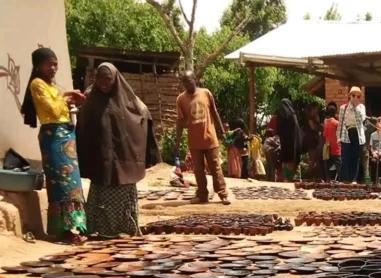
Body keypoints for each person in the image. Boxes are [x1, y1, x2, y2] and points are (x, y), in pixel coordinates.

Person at [76, 62, 159, 238]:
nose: (104, 83)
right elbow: (83, 123)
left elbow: (143, 115)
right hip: (101, 155)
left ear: (115, 79)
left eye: (108, 79)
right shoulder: (91, 97)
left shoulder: (129, 99)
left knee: (122, 193)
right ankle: (101, 229)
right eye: (100, 79)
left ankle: (126, 227)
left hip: (123, 155)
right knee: (101, 189)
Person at [20, 47, 87, 242]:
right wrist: (66, 96)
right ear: (38, 66)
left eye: (55, 64)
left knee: (73, 183)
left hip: (67, 135)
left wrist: (72, 99)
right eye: (49, 64)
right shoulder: (37, 84)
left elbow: (63, 108)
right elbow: (53, 110)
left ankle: (75, 226)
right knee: (60, 183)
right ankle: (64, 231)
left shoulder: (54, 87)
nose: (53, 68)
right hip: (52, 136)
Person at [174, 71, 229, 204]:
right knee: (198, 170)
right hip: (195, 141)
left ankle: (223, 194)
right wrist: (177, 141)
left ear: (195, 79)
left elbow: (214, 112)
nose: (187, 84)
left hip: (210, 138)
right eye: (184, 82)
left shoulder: (206, 93)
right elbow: (180, 122)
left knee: (216, 167)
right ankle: (202, 195)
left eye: (189, 80)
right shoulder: (181, 99)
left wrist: (222, 131)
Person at [337, 87, 367, 182]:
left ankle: (353, 179)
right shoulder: (343, 108)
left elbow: (361, 119)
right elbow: (340, 123)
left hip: (358, 134)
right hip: (346, 133)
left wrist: (356, 107)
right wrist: (338, 137)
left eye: (358, 96)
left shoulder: (361, 107)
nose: (355, 98)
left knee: (355, 158)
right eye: (353, 95)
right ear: (350, 96)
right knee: (345, 158)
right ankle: (345, 179)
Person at [276, 98, 302, 181]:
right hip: (294, 144)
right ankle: (296, 180)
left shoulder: (280, 116)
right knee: (294, 163)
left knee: (286, 162)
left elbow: (278, 130)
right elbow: (296, 132)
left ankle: (286, 180)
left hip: (285, 145)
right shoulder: (293, 116)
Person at [322, 103, 341, 181]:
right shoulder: (336, 123)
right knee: (339, 166)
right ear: (335, 113)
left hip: (328, 146)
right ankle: (341, 180)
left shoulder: (325, 122)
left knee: (328, 165)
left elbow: (324, 135)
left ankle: (328, 180)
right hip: (336, 147)